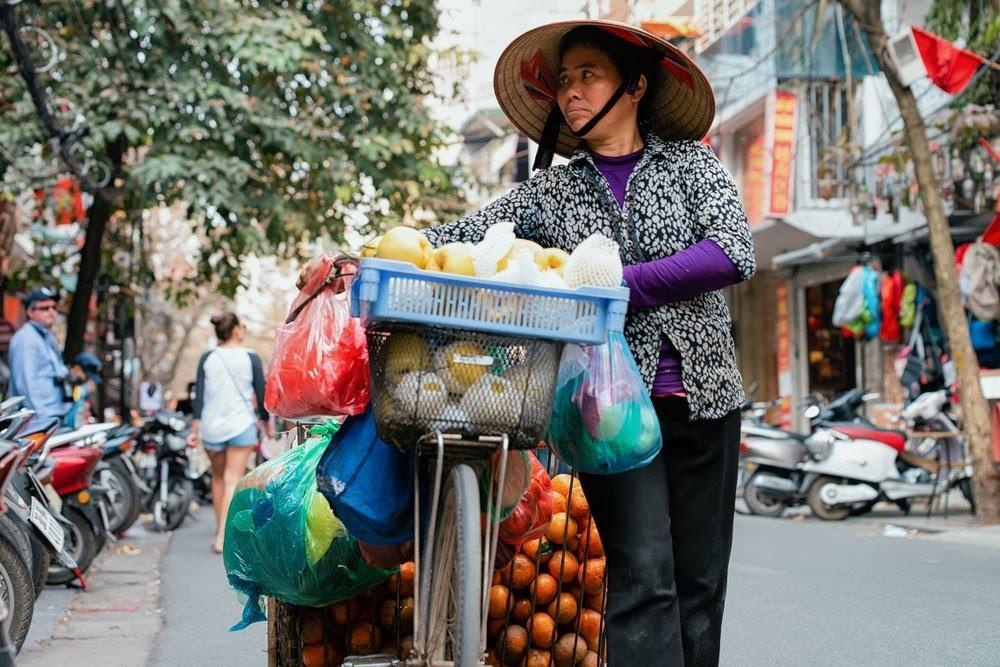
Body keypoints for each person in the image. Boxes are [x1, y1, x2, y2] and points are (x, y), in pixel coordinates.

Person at [422, 20, 755, 665]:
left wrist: (619, 287)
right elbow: (461, 237)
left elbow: (731, 252)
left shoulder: (690, 164)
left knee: (700, 584)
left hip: (702, 394)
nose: (570, 92)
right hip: (607, 412)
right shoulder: (554, 189)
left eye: (587, 75)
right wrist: (359, 257)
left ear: (633, 86)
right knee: (643, 574)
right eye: (564, 80)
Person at [187, 312, 271, 553]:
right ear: (236, 330)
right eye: (242, 326)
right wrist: (265, 422)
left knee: (217, 479)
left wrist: (196, 425)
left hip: (212, 427)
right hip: (241, 424)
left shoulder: (208, 358)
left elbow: (199, 395)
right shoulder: (250, 357)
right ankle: (223, 536)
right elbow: (261, 392)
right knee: (232, 479)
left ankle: (219, 529)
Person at [7, 287, 73, 422]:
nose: (51, 312)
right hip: (39, 420)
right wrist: (41, 419)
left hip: (54, 415)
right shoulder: (26, 338)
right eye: (44, 308)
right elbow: (26, 384)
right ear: (30, 312)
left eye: (54, 307)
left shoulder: (46, 336)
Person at [66, 351, 103, 428]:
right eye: (87, 375)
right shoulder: (68, 385)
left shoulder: (81, 388)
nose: (88, 381)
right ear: (77, 369)